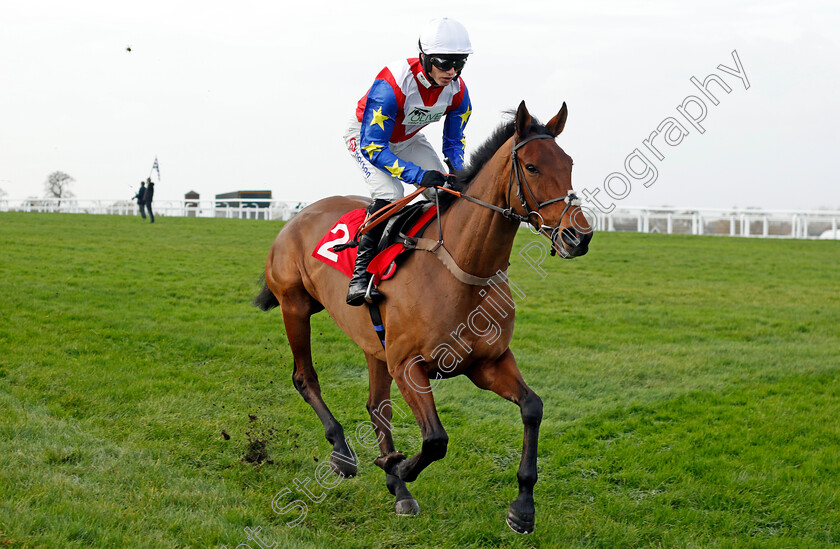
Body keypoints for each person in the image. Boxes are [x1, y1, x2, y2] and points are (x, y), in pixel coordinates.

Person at [343, 17, 473, 306]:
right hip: (367, 138)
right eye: (444, 63)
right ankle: (360, 274)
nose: (452, 72)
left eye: (460, 63)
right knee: (391, 193)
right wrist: (417, 174)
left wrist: (459, 173)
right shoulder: (392, 82)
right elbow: (374, 146)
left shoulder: (458, 91)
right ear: (424, 57)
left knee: (444, 192)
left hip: (409, 140)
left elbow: (453, 143)